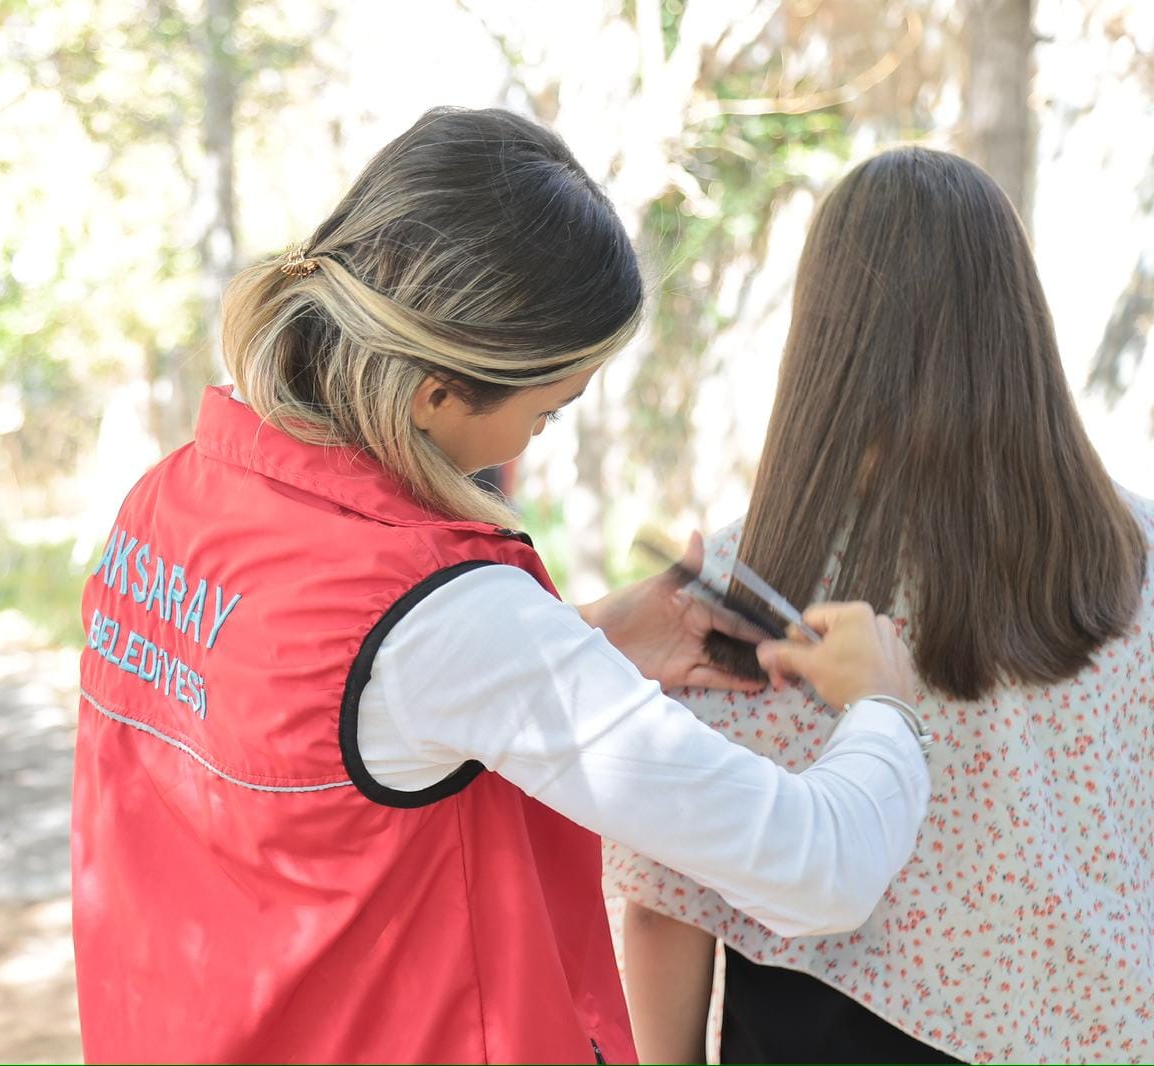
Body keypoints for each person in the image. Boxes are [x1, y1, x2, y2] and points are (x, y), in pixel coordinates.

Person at [72, 107, 933, 1064]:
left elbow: (330, 728)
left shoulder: (170, 505)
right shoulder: (449, 616)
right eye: (551, 410)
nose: (535, 439)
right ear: (437, 393)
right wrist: (885, 704)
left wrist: (588, 641)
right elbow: (820, 870)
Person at [612, 148, 1153, 1065]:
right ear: (1018, 324)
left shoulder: (753, 581)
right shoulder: (1133, 558)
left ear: (824, 338)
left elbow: (671, 900)